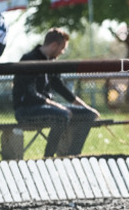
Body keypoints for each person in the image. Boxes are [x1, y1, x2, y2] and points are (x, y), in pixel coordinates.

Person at [13, 28, 99, 157]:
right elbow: (30, 93)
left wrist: (87, 108)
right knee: (62, 115)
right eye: (62, 48)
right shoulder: (29, 59)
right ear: (54, 45)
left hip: (48, 108)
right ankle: (49, 157)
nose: (62, 52)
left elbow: (61, 88)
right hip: (26, 110)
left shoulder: (52, 62)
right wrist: (58, 106)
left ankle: (73, 155)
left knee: (88, 114)